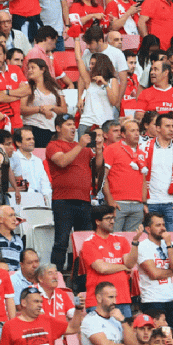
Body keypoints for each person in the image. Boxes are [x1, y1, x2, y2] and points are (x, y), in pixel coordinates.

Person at [46, 113, 102, 271]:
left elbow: (98, 168)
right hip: (63, 200)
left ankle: (82, 279)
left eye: (73, 124)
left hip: (84, 200)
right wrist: (80, 145)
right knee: (61, 241)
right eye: (68, 124)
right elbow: (62, 161)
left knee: (84, 243)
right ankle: (56, 276)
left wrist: (98, 150)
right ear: (58, 128)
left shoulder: (83, 149)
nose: (73, 127)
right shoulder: (54, 145)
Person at [80, 281, 136, 345]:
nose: (114, 301)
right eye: (110, 297)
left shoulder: (117, 320)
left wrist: (123, 321)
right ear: (99, 298)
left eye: (115, 297)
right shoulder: (90, 320)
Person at [137, 212, 173, 321]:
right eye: (158, 225)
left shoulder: (170, 245)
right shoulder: (143, 246)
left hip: (172, 298)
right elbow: (154, 274)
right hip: (152, 300)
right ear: (148, 229)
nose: (162, 228)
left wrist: (168, 245)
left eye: (163, 225)